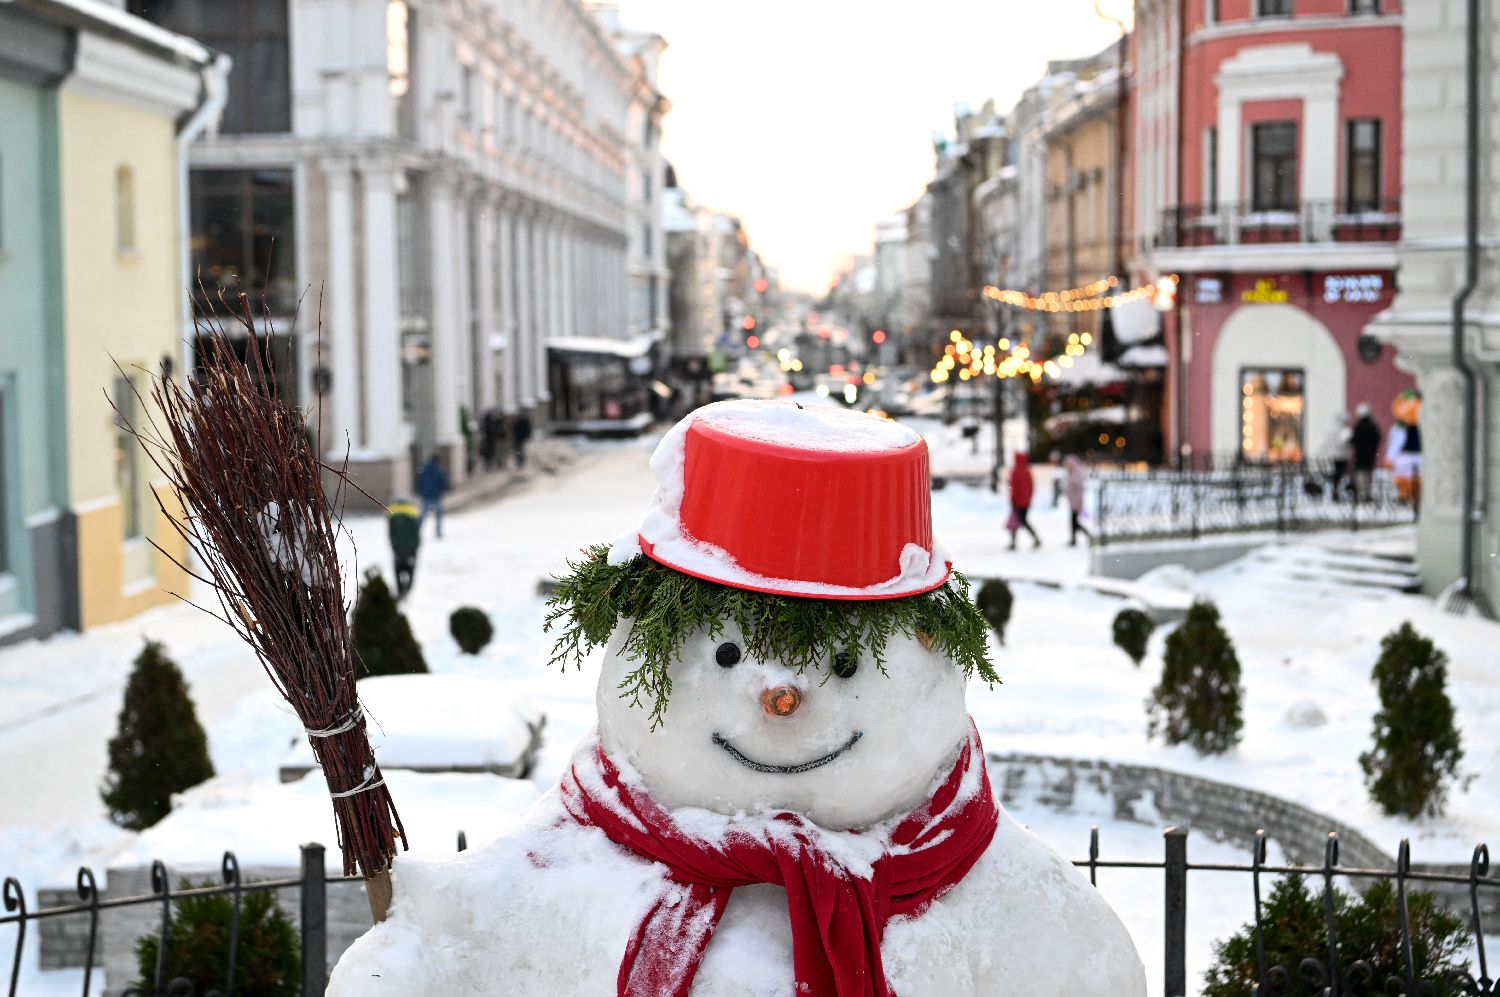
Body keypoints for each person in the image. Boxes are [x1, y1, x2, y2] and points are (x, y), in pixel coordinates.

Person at [387, 496, 421, 598]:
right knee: (411, 569)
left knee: (398, 569)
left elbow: (391, 532)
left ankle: (400, 590)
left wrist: (393, 545)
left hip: (398, 548)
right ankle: (407, 589)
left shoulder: (392, 514)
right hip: (411, 548)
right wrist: (416, 545)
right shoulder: (413, 513)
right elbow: (416, 531)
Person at [1007, 452, 1041, 550]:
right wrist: (1029, 498)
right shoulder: (1027, 471)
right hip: (1026, 502)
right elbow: (1032, 486)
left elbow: (1013, 488)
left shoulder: (1015, 471)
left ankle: (1015, 542)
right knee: (1021, 521)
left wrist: (1012, 500)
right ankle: (1034, 538)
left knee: (1016, 521)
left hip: (1017, 501)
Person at [1317, 410, 1353, 501]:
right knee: (1339, 474)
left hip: (1333, 456)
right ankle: (1336, 491)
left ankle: (1335, 490)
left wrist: (1322, 453)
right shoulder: (1344, 431)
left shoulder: (1331, 430)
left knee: (1336, 474)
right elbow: (1344, 442)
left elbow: (1324, 443)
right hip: (1342, 456)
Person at [1350, 403, 1382, 502]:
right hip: (1370, 455)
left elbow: (1354, 441)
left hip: (1360, 456)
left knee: (1361, 476)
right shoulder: (1373, 427)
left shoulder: (1358, 427)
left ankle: (1362, 495)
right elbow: (1377, 439)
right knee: (1369, 476)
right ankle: (1367, 494)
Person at [416, 453, 450, 538]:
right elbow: (443, 483)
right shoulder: (440, 470)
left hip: (425, 495)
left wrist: (420, 491)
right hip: (436, 496)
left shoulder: (424, 469)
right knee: (438, 515)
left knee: (423, 515)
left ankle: (416, 530)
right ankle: (438, 532)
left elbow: (419, 481)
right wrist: (442, 490)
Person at [1063, 454, 1091, 546]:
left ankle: (1087, 535)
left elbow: (1079, 489)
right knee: (1073, 522)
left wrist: (1079, 502)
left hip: (1076, 502)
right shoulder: (1071, 473)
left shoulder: (1076, 474)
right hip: (1073, 502)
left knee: (1074, 522)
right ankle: (1074, 539)